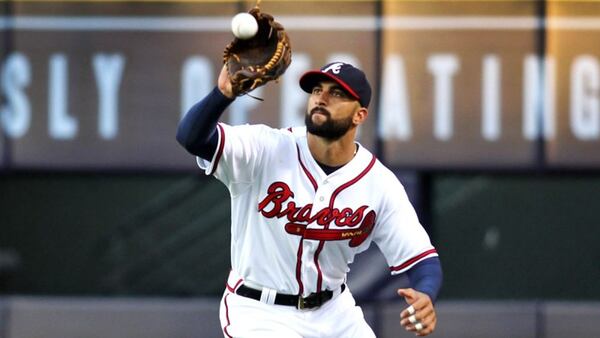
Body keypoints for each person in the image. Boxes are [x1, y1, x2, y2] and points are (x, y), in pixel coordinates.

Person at [176, 61, 443, 338]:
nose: (321, 98)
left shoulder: (378, 183)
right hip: (259, 311)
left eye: (337, 93)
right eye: (317, 89)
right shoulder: (266, 148)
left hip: (334, 311)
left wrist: (425, 293)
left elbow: (422, 260)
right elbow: (191, 138)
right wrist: (223, 94)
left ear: (360, 115)